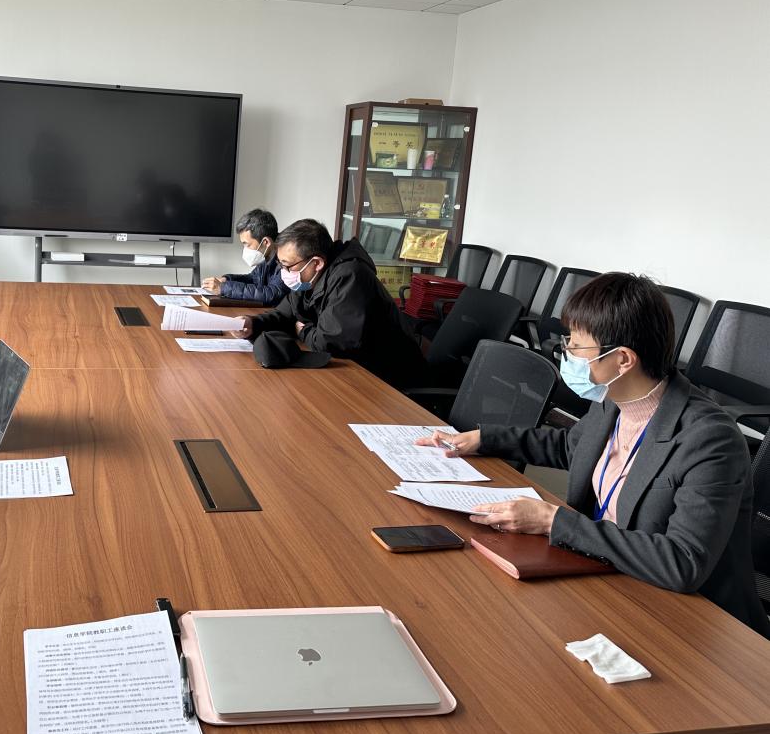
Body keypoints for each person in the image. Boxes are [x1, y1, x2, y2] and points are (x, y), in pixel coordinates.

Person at [418, 272, 770, 637]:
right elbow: (571, 447)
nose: (566, 352)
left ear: (623, 359)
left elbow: (682, 562)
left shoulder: (710, 440)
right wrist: (482, 439)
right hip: (611, 577)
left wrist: (553, 521)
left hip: (690, 623)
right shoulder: (615, 400)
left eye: (575, 346)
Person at [234, 219, 427, 389]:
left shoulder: (350, 276)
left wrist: (303, 331)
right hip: (354, 369)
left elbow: (331, 342)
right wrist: (253, 324)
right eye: (280, 264)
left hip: (388, 379)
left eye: (287, 265)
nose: (283, 271)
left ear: (316, 263)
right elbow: (285, 314)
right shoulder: (309, 278)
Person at [201, 208, 287, 306]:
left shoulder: (286, 259)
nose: (245, 249)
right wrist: (227, 279)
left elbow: (271, 294)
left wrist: (224, 288)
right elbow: (253, 279)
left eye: (247, 244)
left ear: (266, 242)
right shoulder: (267, 255)